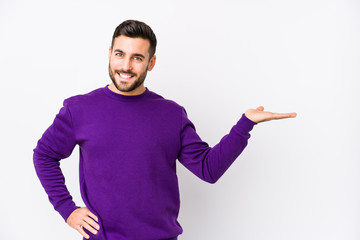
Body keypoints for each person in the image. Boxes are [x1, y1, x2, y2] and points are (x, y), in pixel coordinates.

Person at [33, 19, 296, 240]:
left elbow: (208, 169)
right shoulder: (80, 109)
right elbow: (44, 155)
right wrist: (67, 209)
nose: (126, 66)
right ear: (110, 53)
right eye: (120, 54)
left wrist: (245, 125)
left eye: (137, 58)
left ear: (151, 62)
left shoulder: (171, 114)